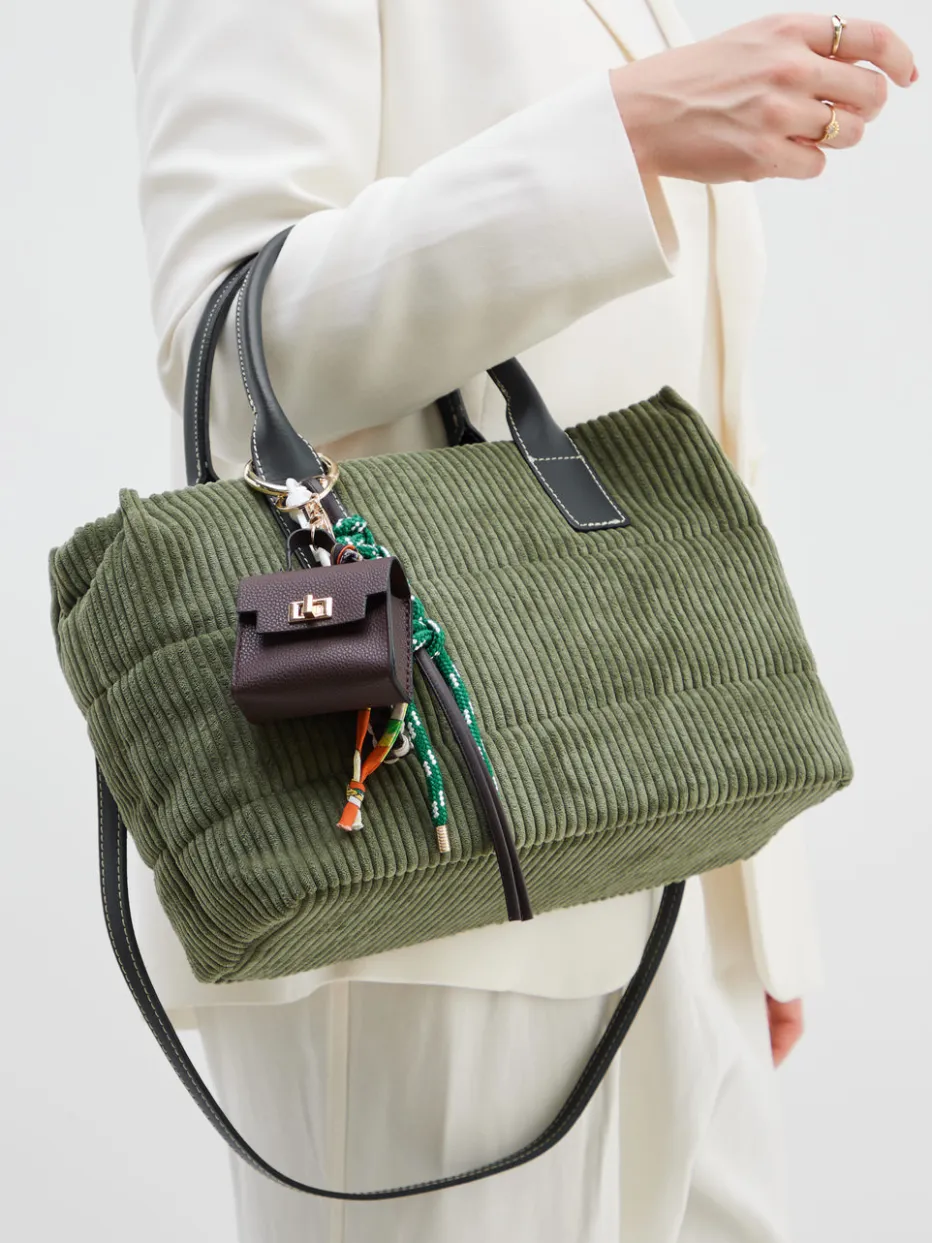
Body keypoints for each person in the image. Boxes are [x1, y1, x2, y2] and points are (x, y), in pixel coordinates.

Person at [130, 3, 917, 1239]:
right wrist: (625, 130)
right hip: (416, 892)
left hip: (677, 860)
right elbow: (230, 352)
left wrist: (754, 906)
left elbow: (677, 412)